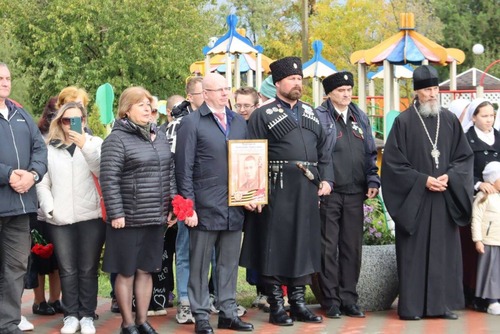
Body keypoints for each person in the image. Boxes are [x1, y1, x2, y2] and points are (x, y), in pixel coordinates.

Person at [240, 56, 333, 327]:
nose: (296, 83)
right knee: (274, 246)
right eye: (291, 79)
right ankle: (277, 306)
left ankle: (299, 303)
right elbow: (249, 155)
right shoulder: (262, 114)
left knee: (303, 245)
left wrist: (326, 180)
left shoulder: (311, 112)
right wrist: (251, 194)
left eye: (299, 79)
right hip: (275, 190)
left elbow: (324, 153)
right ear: (277, 82)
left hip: (307, 190)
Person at [381, 65, 474, 320]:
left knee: (444, 254)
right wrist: (423, 180)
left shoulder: (449, 120)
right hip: (416, 201)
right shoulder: (404, 122)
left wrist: (451, 176)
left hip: (444, 198)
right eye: (426, 90)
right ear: (417, 92)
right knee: (414, 253)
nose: (432, 94)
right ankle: (412, 308)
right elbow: (393, 165)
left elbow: (464, 157)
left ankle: (441, 305)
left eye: (435, 89)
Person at [175, 73, 253, 334]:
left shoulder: (238, 121)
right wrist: (188, 208)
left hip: (234, 205)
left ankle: (228, 312)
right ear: (205, 93)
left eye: (226, 88)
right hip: (204, 207)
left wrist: (251, 195)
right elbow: (183, 169)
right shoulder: (192, 123)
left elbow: (248, 162)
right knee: (199, 264)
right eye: (217, 89)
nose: (224, 93)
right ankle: (201, 315)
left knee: (228, 263)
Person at [100, 86, 176, 334]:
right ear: (126, 109)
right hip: (128, 218)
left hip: (155, 215)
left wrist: (173, 203)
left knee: (146, 269)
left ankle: (143, 320)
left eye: (149, 104)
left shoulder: (159, 135)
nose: (147, 109)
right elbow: (108, 179)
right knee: (126, 271)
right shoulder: (116, 139)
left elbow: (170, 172)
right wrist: (116, 213)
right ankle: (127, 323)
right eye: (141, 104)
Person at [315, 71, 380, 319]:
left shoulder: (359, 116)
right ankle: (330, 300)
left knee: (352, 248)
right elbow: (318, 154)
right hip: (330, 193)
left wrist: (372, 178)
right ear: (329, 93)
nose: (346, 94)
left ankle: (349, 298)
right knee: (328, 248)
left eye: (349, 89)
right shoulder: (319, 117)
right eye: (341, 90)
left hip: (355, 193)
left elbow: (370, 151)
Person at [36, 102, 105, 334]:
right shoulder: (49, 148)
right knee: (67, 269)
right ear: (59, 122)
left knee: (87, 268)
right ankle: (70, 315)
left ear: (84, 121)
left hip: (91, 217)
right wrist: (50, 209)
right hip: (60, 218)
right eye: (66, 120)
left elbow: (100, 171)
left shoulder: (95, 144)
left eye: (76, 120)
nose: (71, 125)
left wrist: (84, 145)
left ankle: (87, 315)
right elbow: (42, 183)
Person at [0, 62, 48, 334]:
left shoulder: (21, 114)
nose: (5, 82)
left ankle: (8, 324)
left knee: (16, 266)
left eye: (8, 78)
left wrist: (33, 175)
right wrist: (8, 174)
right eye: (0, 78)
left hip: (20, 207)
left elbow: (40, 150)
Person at [463, 98, 500, 311]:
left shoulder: (499, 137)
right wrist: (478, 184)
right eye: (484, 116)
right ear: (474, 117)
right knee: (478, 249)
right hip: (477, 199)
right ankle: (477, 294)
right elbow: (462, 169)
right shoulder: (467, 140)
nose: (489, 120)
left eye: (491, 116)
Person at [30, 97, 63, 316]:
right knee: (40, 257)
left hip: (62, 209)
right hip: (40, 210)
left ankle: (55, 299)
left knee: (59, 259)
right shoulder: (38, 136)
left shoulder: (69, 137)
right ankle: (39, 301)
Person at [471, 161, 500, 315]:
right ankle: (491, 301)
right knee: (491, 272)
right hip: (489, 241)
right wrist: (478, 240)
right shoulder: (483, 197)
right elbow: (476, 218)